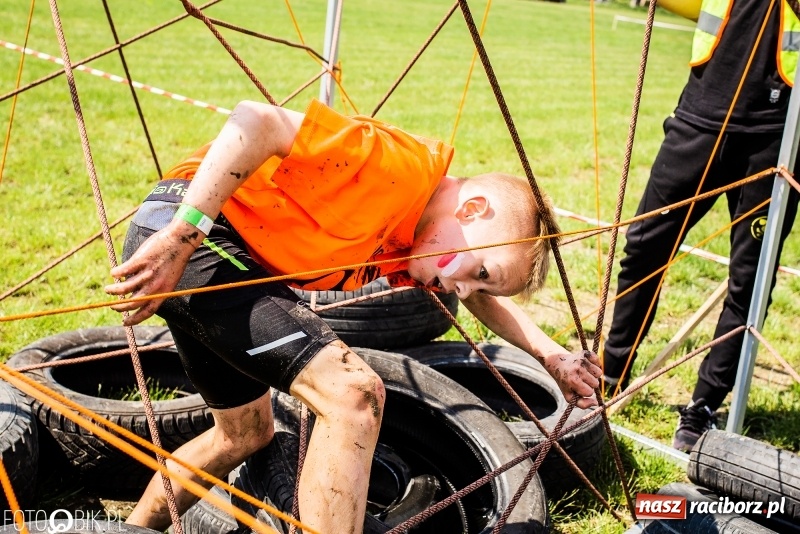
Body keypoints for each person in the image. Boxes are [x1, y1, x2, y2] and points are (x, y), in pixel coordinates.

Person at [105, 98, 603, 534]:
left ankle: (131, 530)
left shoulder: (419, 241)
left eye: (477, 283)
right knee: (351, 395)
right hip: (197, 236)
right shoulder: (399, 170)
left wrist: (552, 356)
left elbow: (479, 298)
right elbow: (256, 120)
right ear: (472, 210)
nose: (462, 289)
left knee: (243, 434)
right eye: (482, 271)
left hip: (226, 259)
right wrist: (182, 234)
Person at [602, 0, 800, 452]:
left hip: (778, 133)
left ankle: (704, 404)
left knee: (749, 282)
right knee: (645, 245)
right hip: (701, 114)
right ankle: (612, 370)